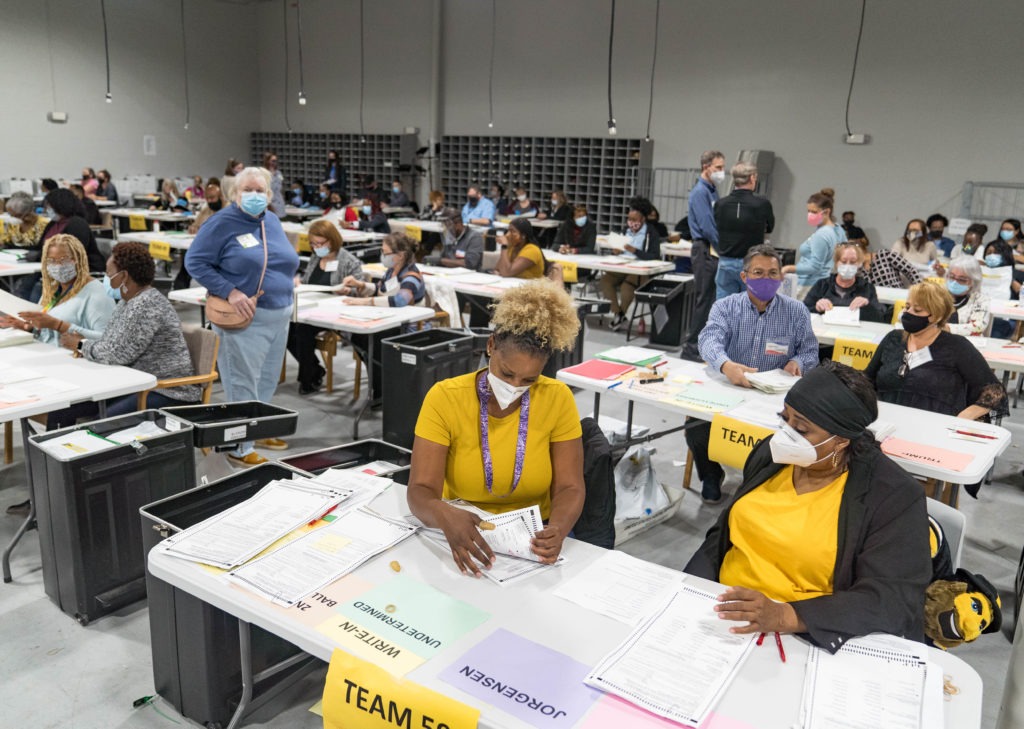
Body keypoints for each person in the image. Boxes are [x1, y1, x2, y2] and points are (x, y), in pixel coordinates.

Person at [685, 361, 931, 651]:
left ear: (840, 440)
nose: (786, 434)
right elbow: (723, 533)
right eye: (784, 418)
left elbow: (891, 598)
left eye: (801, 428)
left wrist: (789, 615)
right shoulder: (772, 455)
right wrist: (691, 589)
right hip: (724, 611)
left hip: (806, 633)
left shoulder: (891, 494)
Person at [407, 280, 584, 576]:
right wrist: (442, 514)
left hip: (532, 537)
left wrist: (558, 529)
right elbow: (420, 491)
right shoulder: (445, 398)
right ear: (491, 346)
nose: (514, 386)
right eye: (507, 373)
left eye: (529, 380)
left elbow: (570, 486)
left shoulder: (557, 398)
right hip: (458, 526)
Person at [186, 166, 300, 466]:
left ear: (269, 194)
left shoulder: (272, 220)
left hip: (278, 316)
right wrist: (230, 291)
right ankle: (238, 446)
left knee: (266, 381)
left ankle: (258, 430)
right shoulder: (221, 223)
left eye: (259, 190)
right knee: (242, 385)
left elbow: (280, 259)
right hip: (243, 320)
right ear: (234, 194)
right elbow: (195, 262)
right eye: (247, 190)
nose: (253, 195)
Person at [688, 245, 819, 503]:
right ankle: (711, 476)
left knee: (789, 434)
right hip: (730, 387)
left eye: (773, 273)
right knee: (695, 425)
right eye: (758, 272)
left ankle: (760, 483)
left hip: (775, 397)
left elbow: (810, 351)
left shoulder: (796, 311)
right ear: (744, 276)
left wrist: (797, 362)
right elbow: (708, 340)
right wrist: (726, 365)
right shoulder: (725, 307)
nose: (766, 279)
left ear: (782, 277)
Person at [51, 241, 200, 427]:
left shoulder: (146, 305)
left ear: (124, 276)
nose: (106, 278)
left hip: (166, 391)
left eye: (108, 273)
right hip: (134, 383)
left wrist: (81, 345)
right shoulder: (127, 302)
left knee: (96, 427)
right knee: (62, 411)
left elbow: (117, 354)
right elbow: (110, 343)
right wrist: (85, 344)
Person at [864, 281, 1007, 421]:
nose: (908, 313)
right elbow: (866, 379)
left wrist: (963, 418)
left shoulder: (956, 347)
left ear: (937, 316)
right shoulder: (893, 339)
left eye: (917, 310)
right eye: (907, 307)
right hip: (887, 420)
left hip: (936, 426)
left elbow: (996, 391)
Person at [340, 233, 425, 402]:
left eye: (385, 253)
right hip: (387, 321)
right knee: (360, 337)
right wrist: (360, 285)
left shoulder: (411, 276)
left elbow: (400, 300)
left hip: (407, 327)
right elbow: (381, 290)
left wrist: (366, 301)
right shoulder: (391, 272)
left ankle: (381, 387)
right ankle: (379, 382)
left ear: (399, 255)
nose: (382, 255)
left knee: (372, 340)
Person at [286, 221, 363, 394]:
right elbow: (308, 283)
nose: (316, 247)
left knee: (302, 329)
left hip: (335, 312)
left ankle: (308, 378)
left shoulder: (349, 261)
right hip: (312, 307)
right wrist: (299, 283)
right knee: (286, 327)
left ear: (332, 240)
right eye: (313, 244)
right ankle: (314, 369)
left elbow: (360, 291)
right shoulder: (315, 258)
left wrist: (347, 291)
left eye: (321, 243)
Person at [0, 234, 113, 345]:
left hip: (74, 359)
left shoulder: (97, 293)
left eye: (64, 260)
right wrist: (28, 326)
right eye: (52, 261)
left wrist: (59, 325)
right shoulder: (53, 289)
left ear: (78, 259)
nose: (58, 266)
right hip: (47, 353)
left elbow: (107, 339)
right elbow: (47, 331)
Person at [681, 150, 725, 361]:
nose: (721, 172)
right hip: (705, 248)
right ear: (706, 167)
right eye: (718, 168)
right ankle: (691, 349)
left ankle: (701, 345)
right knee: (704, 299)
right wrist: (724, 247)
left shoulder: (712, 190)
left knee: (710, 300)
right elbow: (708, 226)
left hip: (712, 248)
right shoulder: (700, 192)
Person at [714, 162, 775, 299]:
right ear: (753, 178)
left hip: (725, 262)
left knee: (724, 309)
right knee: (751, 308)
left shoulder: (720, 204)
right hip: (751, 264)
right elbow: (770, 227)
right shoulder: (762, 204)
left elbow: (716, 228)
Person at [598, 205, 662, 329]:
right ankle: (618, 313)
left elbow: (654, 256)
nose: (631, 222)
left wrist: (635, 251)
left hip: (640, 270)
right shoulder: (624, 231)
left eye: (635, 219)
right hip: (623, 265)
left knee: (626, 286)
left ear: (642, 219)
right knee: (605, 281)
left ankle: (619, 315)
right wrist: (616, 252)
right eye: (629, 219)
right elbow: (618, 247)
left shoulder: (651, 233)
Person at [783, 188, 846, 298]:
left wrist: (788, 269)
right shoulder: (838, 229)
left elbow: (815, 266)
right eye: (808, 211)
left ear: (826, 211)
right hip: (823, 283)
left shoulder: (822, 235)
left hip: (808, 285)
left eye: (814, 212)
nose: (810, 215)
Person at [803, 242, 884, 322]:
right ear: (836, 262)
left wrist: (867, 305)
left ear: (859, 264)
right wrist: (817, 308)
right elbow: (802, 311)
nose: (848, 266)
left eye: (852, 262)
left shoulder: (866, 287)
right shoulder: (822, 285)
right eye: (844, 262)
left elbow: (880, 317)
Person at [40, 189, 105, 271]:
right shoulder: (53, 223)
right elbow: (40, 245)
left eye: (49, 206)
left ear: (59, 205)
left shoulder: (77, 224)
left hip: (80, 271)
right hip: (55, 267)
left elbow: (73, 253)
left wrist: (41, 255)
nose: (47, 210)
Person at [945, 256, 991, 336]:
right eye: (952, 277)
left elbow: (978, 327)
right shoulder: (937, 294)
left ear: (974, 281)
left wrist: (947, 328)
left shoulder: (980, 300)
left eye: (962, 280)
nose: (955, 282)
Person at [857, 240, 922, 290]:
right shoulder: (856, 267)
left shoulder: (884, 254)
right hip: (873, 303)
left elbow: (911, 270)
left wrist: (917, 291)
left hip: (896, 298)